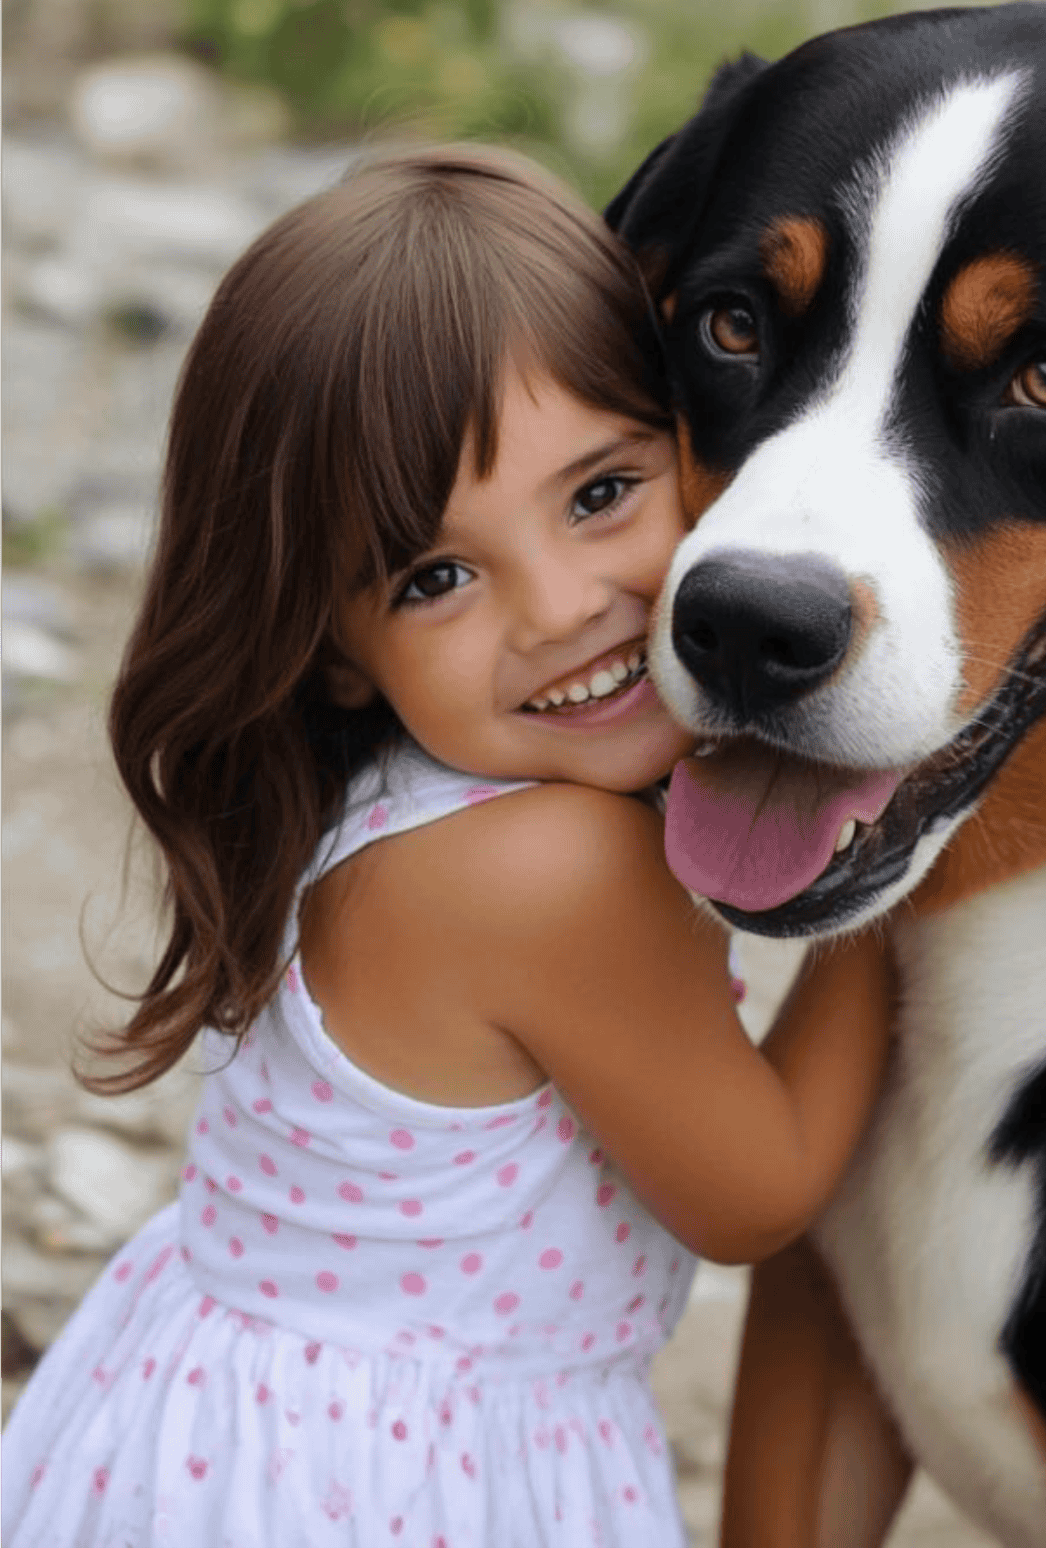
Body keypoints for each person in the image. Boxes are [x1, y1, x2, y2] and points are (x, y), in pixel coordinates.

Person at [0, 146, 892, 1548]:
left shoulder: (396, 798)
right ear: (339, 653)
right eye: (436, 577)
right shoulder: (545, 870)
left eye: (601, 492)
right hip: (389, 1480)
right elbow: (757, 1190)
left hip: (207, 1424)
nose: (560, 606)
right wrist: (923, 864)